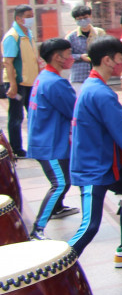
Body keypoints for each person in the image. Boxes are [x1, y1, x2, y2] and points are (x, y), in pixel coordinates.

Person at [68, 36, 122, 264]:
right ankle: (58, 267)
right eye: (120, 59)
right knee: (90, 226)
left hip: (103, 164)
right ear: (107, 60)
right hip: (93, 167)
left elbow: (118, 123)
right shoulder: (100, 92)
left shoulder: (94, 86)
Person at [28, 39, 80, 239]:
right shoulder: (56, 82)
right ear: (57, 57)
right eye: (68, 53)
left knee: (62, 180)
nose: (71, 58)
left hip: (47, 140)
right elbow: (74, 111)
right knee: (60, 183)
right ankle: (38, 229)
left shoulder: (45, 76)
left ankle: (57, 208)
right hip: (49, 144)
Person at [3, 4, 37, 157]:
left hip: (30, 82)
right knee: (16, 116)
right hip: (17, 84)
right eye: (28, 16)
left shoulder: (28, 33)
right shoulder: (12, 36)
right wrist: (12, 85)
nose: (31, 19)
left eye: (32, 16)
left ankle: (35, 145)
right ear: (18, 18)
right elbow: (8, 63)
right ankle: (17, 149)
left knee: (34, 114)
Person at [66, 5, 106, 90]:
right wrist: (80, 57)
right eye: (79, 19)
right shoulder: (71, 37)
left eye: (85, 17)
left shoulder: (99, 33)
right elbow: (67, 56)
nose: (83, 20)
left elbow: (107, 50)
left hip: (98, 74)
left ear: (90, 16)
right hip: (79, 76)